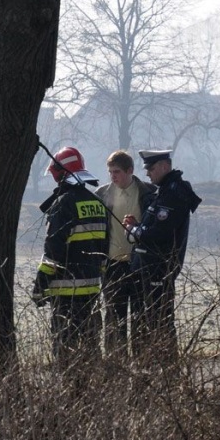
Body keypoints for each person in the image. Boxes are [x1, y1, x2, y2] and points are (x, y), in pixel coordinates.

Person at [32, 146, 107, 370]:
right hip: (92, 290)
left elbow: (53, 252)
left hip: (66, 294)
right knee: (91, 350)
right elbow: (105, 247)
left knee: (66, 353)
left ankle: (71, 398)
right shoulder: (97, 203)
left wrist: (40, 286)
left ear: (59, 172)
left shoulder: (63, 204)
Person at [123, 149, 201, 361]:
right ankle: (143, 374)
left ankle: (169, 375)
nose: (148, 174)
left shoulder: (174, 193)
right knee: (140, 324)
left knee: (159, 324)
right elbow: (153, 227)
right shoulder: (162, 191)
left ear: (165, 166)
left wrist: (137, 232)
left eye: (151, 168)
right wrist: (136, 226)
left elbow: (162, 233)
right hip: (145, 270)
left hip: (159, 270)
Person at [95, 150, 156, 357]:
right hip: (112, 266)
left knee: (141, 320)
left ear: (130, 170)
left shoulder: (148, 192)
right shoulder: (101, 194)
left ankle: (141, 370)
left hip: (139, 265)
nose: (113, 176)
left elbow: (155, 228)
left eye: (117, 172)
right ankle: (115, 371)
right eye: (110, 172)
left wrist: (139, 227)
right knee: (113, 322)